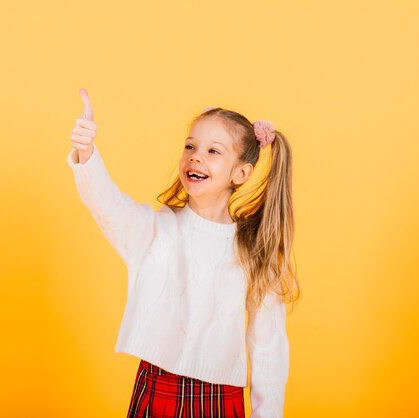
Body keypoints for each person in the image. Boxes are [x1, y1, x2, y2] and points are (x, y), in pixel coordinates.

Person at [67, 87, 301, 418]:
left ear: (240, 174)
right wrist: (87, 153)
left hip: (219, 400)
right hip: (157, 391)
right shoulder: (156, 231)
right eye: (190, 146)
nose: (195, 156)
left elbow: (268, 348)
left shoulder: (253, 251)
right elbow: (109, 206)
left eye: (213, 151)